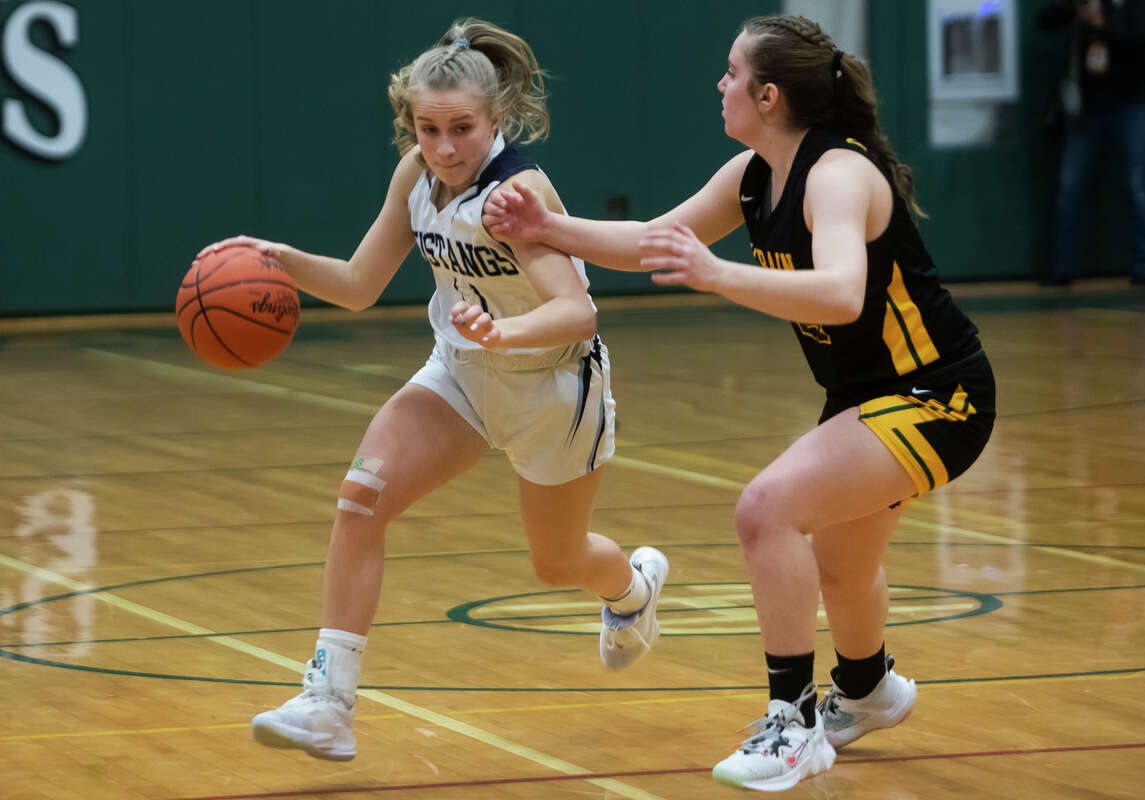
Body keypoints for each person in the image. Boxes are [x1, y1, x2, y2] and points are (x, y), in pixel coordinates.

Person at [483, 13, 995, 791]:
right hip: (868, 394)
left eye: (730, 73)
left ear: (766, 93)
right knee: (843, 565)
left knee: (765, 510)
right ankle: (867, 691)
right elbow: (656, 238)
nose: (718, 85)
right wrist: (548, 225)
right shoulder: (755, 171)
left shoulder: (836, 174)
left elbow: (840, 294)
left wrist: (718, 274)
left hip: (936, 392)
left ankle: (791, 725)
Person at [194, 18, 669, 762]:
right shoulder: (416, 174)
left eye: (462, 129)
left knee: (559, 560)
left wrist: (503, 334)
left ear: (496, 120)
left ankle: (632, 591)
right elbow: (357, 286)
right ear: (410, 123)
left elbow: (578, 310)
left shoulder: (516, 191)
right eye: (428, 128)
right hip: (461, 375)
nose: (445, 148)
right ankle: (327, 702)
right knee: (360, 496)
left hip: (553, 387)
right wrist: (279, 259)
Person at [1038, 0, 1145, 286]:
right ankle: (1064, 267)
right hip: (1089, 108)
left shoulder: (1138, 6)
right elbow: (1046, 20)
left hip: (1134, 105)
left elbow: (1139, 39)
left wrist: (1102, 24)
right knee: (1070, 185)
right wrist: (1078, 8)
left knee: (1138, 182)